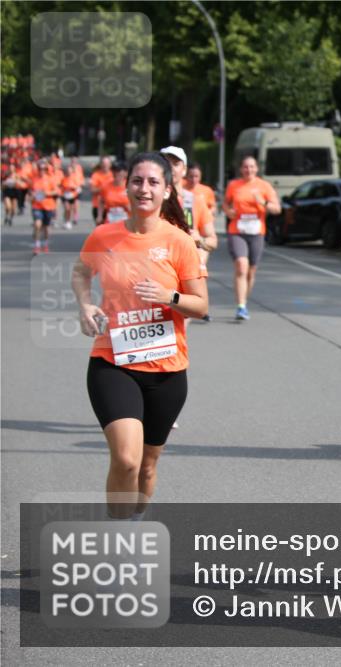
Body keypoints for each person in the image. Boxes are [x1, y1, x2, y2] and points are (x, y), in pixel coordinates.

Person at [71, 152, 208, 519]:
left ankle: (134, 521)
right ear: (126, 186)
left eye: (153, 183)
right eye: (137, 181)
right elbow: (81, 273)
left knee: (147, 466)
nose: (143, 189)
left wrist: (170, 297)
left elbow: (201, 305)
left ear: (166, 191)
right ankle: (118, 543)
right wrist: (85, 305)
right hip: (113, 362)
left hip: (166, 370)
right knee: (127, 460)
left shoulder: (179, 242)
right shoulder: (105, 235)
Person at [223, 155, 279, 320]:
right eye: (246, 167)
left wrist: (263, 203)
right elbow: (225, 203)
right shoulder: (234, 185)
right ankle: (241, 306)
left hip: (256, 232)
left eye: (252, 167)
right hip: (237, 230)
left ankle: (244, 302)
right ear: (241, 169)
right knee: (241, 265)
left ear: (257, 169)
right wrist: (228, 211)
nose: (249, 170)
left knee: (251, 271)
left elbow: (277, 209)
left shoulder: (264, 186)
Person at [161, 147, 218, 298]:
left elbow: (212, 240)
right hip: (159, 267)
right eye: (165, 162)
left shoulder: (195, 201)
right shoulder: (150, 200)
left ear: (184, 170)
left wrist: (200, 240)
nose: (170, 167)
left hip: (186, 270)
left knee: (183, 314)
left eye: (175, 163)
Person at [29, 158, 60, 255]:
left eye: (43, 169)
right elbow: (30, 191)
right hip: (37, 205)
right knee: (37, 224)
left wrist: (46, 193)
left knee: (46, 227)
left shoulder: (51, 178)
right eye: (40, 169)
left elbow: (56, 191)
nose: (42, 170)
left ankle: (45, 244)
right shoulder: (34, 179)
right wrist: (33, 195)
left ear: (46, 169)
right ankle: (37, 245)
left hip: (48, 206)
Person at [89, 156, 114, 224]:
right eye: (103, 163)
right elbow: (92, 190)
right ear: (101, 164)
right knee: (100, 230)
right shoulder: (96, 175)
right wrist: (104, 188)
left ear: (110, 164)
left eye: (107, 163)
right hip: (97, 206)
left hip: (111, 206)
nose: (105, 165)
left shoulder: (113, 175)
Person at [61, 162, 83, 229]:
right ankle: (67, 221)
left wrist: (74, 188)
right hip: (65, 196)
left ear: (72, 171)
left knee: (72, 208)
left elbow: (79, 186)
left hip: (73, 195)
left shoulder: (75, 177)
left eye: (70, 171)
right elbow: (60, 186)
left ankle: (71, 218)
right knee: (67, 208)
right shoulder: (63, 178)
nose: (69, 172)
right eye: (67, 171)